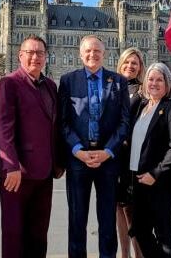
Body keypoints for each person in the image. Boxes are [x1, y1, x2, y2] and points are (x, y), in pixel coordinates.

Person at [59, 35, 130, 258]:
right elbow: (63, 122)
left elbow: (124, 122)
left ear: (104, 54)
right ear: (80, 54)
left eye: (97, 51)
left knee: (107, 219)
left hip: (108, 161)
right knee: (77, 219)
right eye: (88, 51)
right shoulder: (68, 81)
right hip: (78, 159)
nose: (92, 55)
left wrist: (108, 151)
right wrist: (77, 150)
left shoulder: (119, 81)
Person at [0, 36, 63, 258]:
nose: (35, 57)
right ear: (20, 55)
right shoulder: (9, 83)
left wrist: (59, 161)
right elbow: (3, 128)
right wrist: (10, 165)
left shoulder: (50, 85)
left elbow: (54, 127)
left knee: (39, 233)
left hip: (45, 172)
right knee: (14, 234)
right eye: (30, 52)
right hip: (17, 173)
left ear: (45, 56)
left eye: (40, 53)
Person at [128, 62, 171, 258]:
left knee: (163, 232)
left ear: (168, 85)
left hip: (161, 180)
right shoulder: (141, 107)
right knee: (139, 229)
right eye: (150, 79)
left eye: (159, 80)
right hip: (138, 177)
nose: (154, 83)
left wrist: (156, 173)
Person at [115, 47, 145, 258]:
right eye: (126, 62)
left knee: (132, 211)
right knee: (118, 208)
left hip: (133, 157)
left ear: (140, 67)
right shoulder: (112, 88)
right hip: (114, 156)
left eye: (134, 63)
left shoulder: (144, 91)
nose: (130, 66)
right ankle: (124, 254)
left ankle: (138, 254)